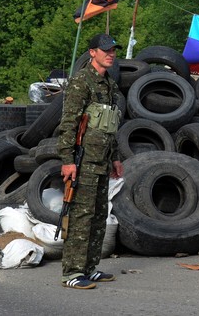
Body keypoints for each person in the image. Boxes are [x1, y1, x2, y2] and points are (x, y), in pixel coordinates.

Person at [58, 33, 124, 290]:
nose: (111, 54)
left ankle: (89, 268)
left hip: (103, 159)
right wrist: (67, 159)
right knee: (81, 216)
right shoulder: (80, 82)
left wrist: (116, 158)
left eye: (113, 50)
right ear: (92, 53)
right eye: (105, 50)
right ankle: (72, 272)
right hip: (83, 160)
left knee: (98, 216)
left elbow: (110, 125)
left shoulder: (109, 84)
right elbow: (68, 123)